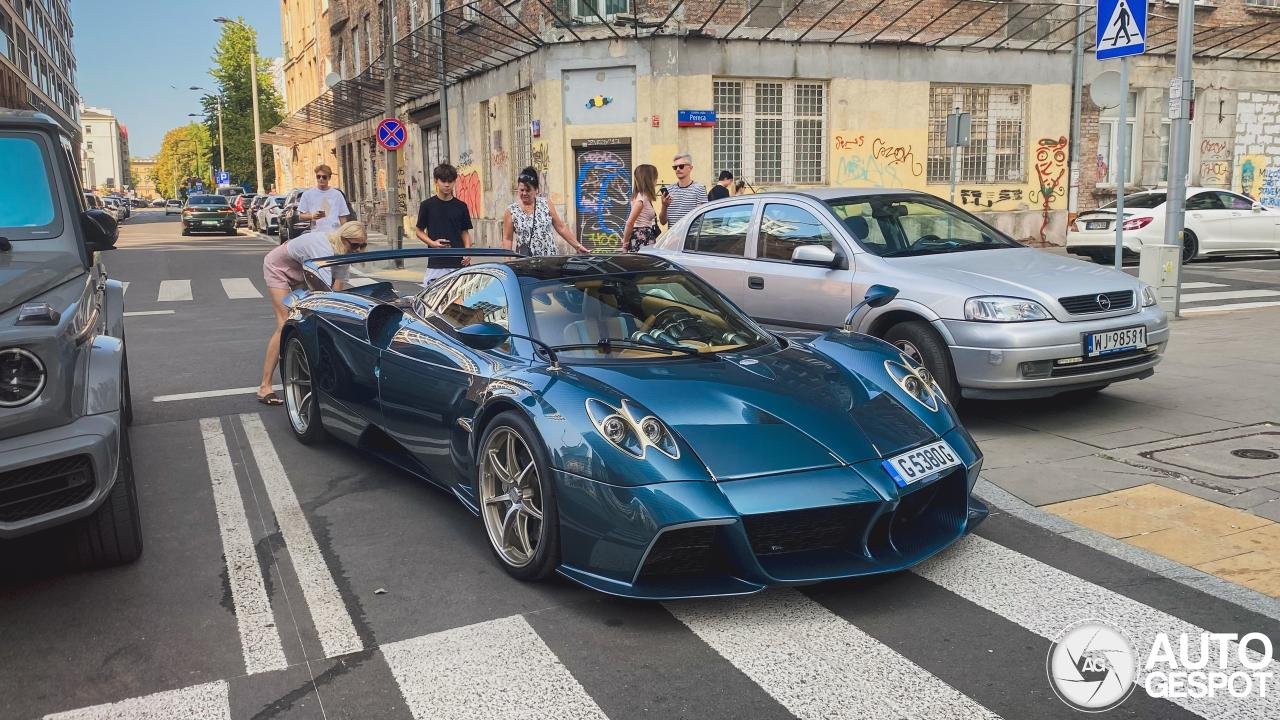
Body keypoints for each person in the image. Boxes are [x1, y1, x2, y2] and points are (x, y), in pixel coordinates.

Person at [256, 221, 368, 405]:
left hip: (301, 270)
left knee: (308, 320)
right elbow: (322, 291)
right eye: (355, 245)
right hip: (278, 268)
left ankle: (306, 370)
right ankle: (265, 386)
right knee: (285, 323)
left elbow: (336, 288)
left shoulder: (344, 251)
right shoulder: (321, 247)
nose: (358, 250)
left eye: (362, 245)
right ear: (342, 238)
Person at [502, 167, 589, 256]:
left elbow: (561, 227)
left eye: (528, 190)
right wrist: (507, 261)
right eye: (521, 190)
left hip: (549, 260)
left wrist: (578, 246)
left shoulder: (545, 204)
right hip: (525, 262)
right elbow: (507, 239)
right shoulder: (511, 211)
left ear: (536, 190)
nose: (524, 193)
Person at [415, 163, 474, 285]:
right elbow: (419, 231)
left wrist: (468, 252)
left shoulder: (461, 206)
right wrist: (433, 244)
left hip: (458, 262)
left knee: (461, 301)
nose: (447, 185)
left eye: (450, 181)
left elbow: (465, 232)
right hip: (436, 262)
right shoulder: (427, 205)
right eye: (443, 181)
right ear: (436, 181)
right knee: (432, 301)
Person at [297, 164, 350, 234]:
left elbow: (342, 217)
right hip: (316, 234)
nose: (321, 179)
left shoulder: (337, 194)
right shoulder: (307, 194)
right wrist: (312, 216)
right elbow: (301, 216)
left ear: (329, 178)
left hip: (334, 234)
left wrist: (344, 234)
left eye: (324, 177)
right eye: (318, 176)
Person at [659, 152, 707, 228]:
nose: (677, 169)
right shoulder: (669, 189)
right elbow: (662, 222)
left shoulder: (699, 189)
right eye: (675, 167)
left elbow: (702, 218)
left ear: (690, 168)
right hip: (673, 237)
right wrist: (664, 206)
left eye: (681, 166)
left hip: (690, 237)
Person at [621, 164, 660, 253]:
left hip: (644, 237)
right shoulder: (641, 198)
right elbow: (630, 222)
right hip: (642, 238)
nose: (656, 181)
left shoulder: (643, 197)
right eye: (655, 178)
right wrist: (625, 244)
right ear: (649, 179)